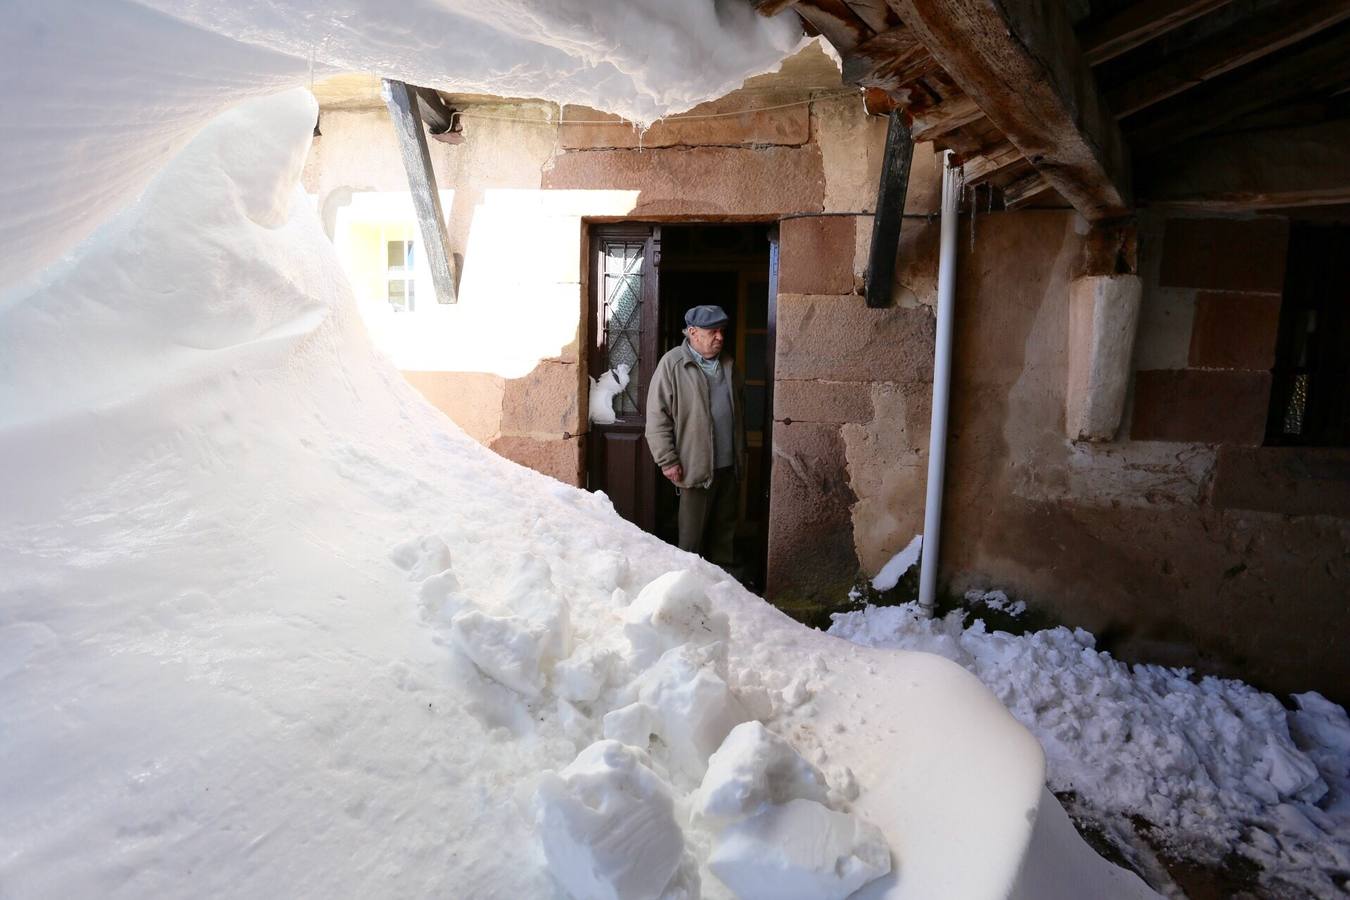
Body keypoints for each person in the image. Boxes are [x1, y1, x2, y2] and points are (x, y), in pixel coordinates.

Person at [645, 304, 746, 568]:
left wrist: (740, 455)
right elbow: (657, 416)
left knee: (724, 534)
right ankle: (689, 588)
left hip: (728, 466)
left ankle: (724, 590)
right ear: (692, 332)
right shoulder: (673, 364)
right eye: (713, 331)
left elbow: (738, 413)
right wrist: (667, 460)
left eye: (722, 331)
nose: (720, 337)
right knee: (692, 540)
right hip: (694, 467)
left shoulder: (728, 364)